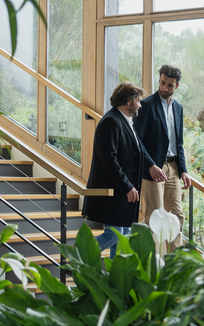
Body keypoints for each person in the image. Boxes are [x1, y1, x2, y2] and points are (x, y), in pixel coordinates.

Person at [81, 81, 150, 257]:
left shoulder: (123, 121)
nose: (140, 105)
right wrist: (127, 186)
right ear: (128, 100)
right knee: (115, 234)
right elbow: (108, 159)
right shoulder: (110, 121)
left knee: (123, 236)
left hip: (122, 194)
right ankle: (79, 256)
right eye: (138, 100)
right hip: (114, 192)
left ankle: (115, 279)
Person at [133, 64, 192, 238]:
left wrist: (183, 171)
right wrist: (150, 165)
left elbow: (178, 143)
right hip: (153, 168)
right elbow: (137, 139)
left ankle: (173, 263)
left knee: (177, 216)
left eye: (170, 85)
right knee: (153, 217)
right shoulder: (146, 105)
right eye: (162, 83)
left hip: (173, 168)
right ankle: (152, 263)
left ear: (177, 86)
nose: (165, 88)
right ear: (159, 80)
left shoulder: (178, 108)